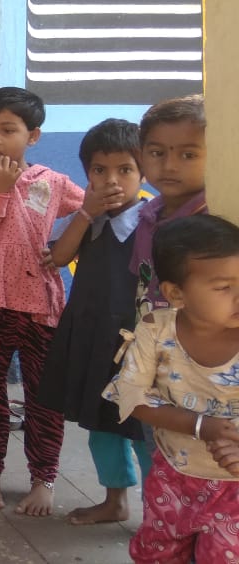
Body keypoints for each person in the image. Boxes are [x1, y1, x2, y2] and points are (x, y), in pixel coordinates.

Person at [0, 87, 85, 516]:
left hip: (40, 308)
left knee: (43, 398)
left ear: (32, 136)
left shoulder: (51, 182)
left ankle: (43, 479)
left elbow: (92, 210)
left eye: (7, 130)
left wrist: (66, 247)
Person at [103, 214, 239, 562]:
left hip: (234, 488)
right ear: (176, 294)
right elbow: (130, 397)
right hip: (172, 477)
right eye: (224, 287)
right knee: (156, 554)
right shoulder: (155, 329)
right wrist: (199, 425)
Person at [37, 119, 151, 525]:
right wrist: (86, 212)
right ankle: (114, 499)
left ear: (143, 173)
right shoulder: (87, 219)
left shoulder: (152, 221)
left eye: (125, 170)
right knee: (100, 422)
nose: (111, 181)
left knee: (144, 429)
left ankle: (161, 513)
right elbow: (58, 256)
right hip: (91, 335)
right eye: (99, 171)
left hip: (140, 346)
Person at [131, 95, 207, 317]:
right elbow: (141, 284)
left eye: (188, 155)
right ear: (141, 155)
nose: (170, 166)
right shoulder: (147, 216)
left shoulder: (212, 221)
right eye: (157, 153)